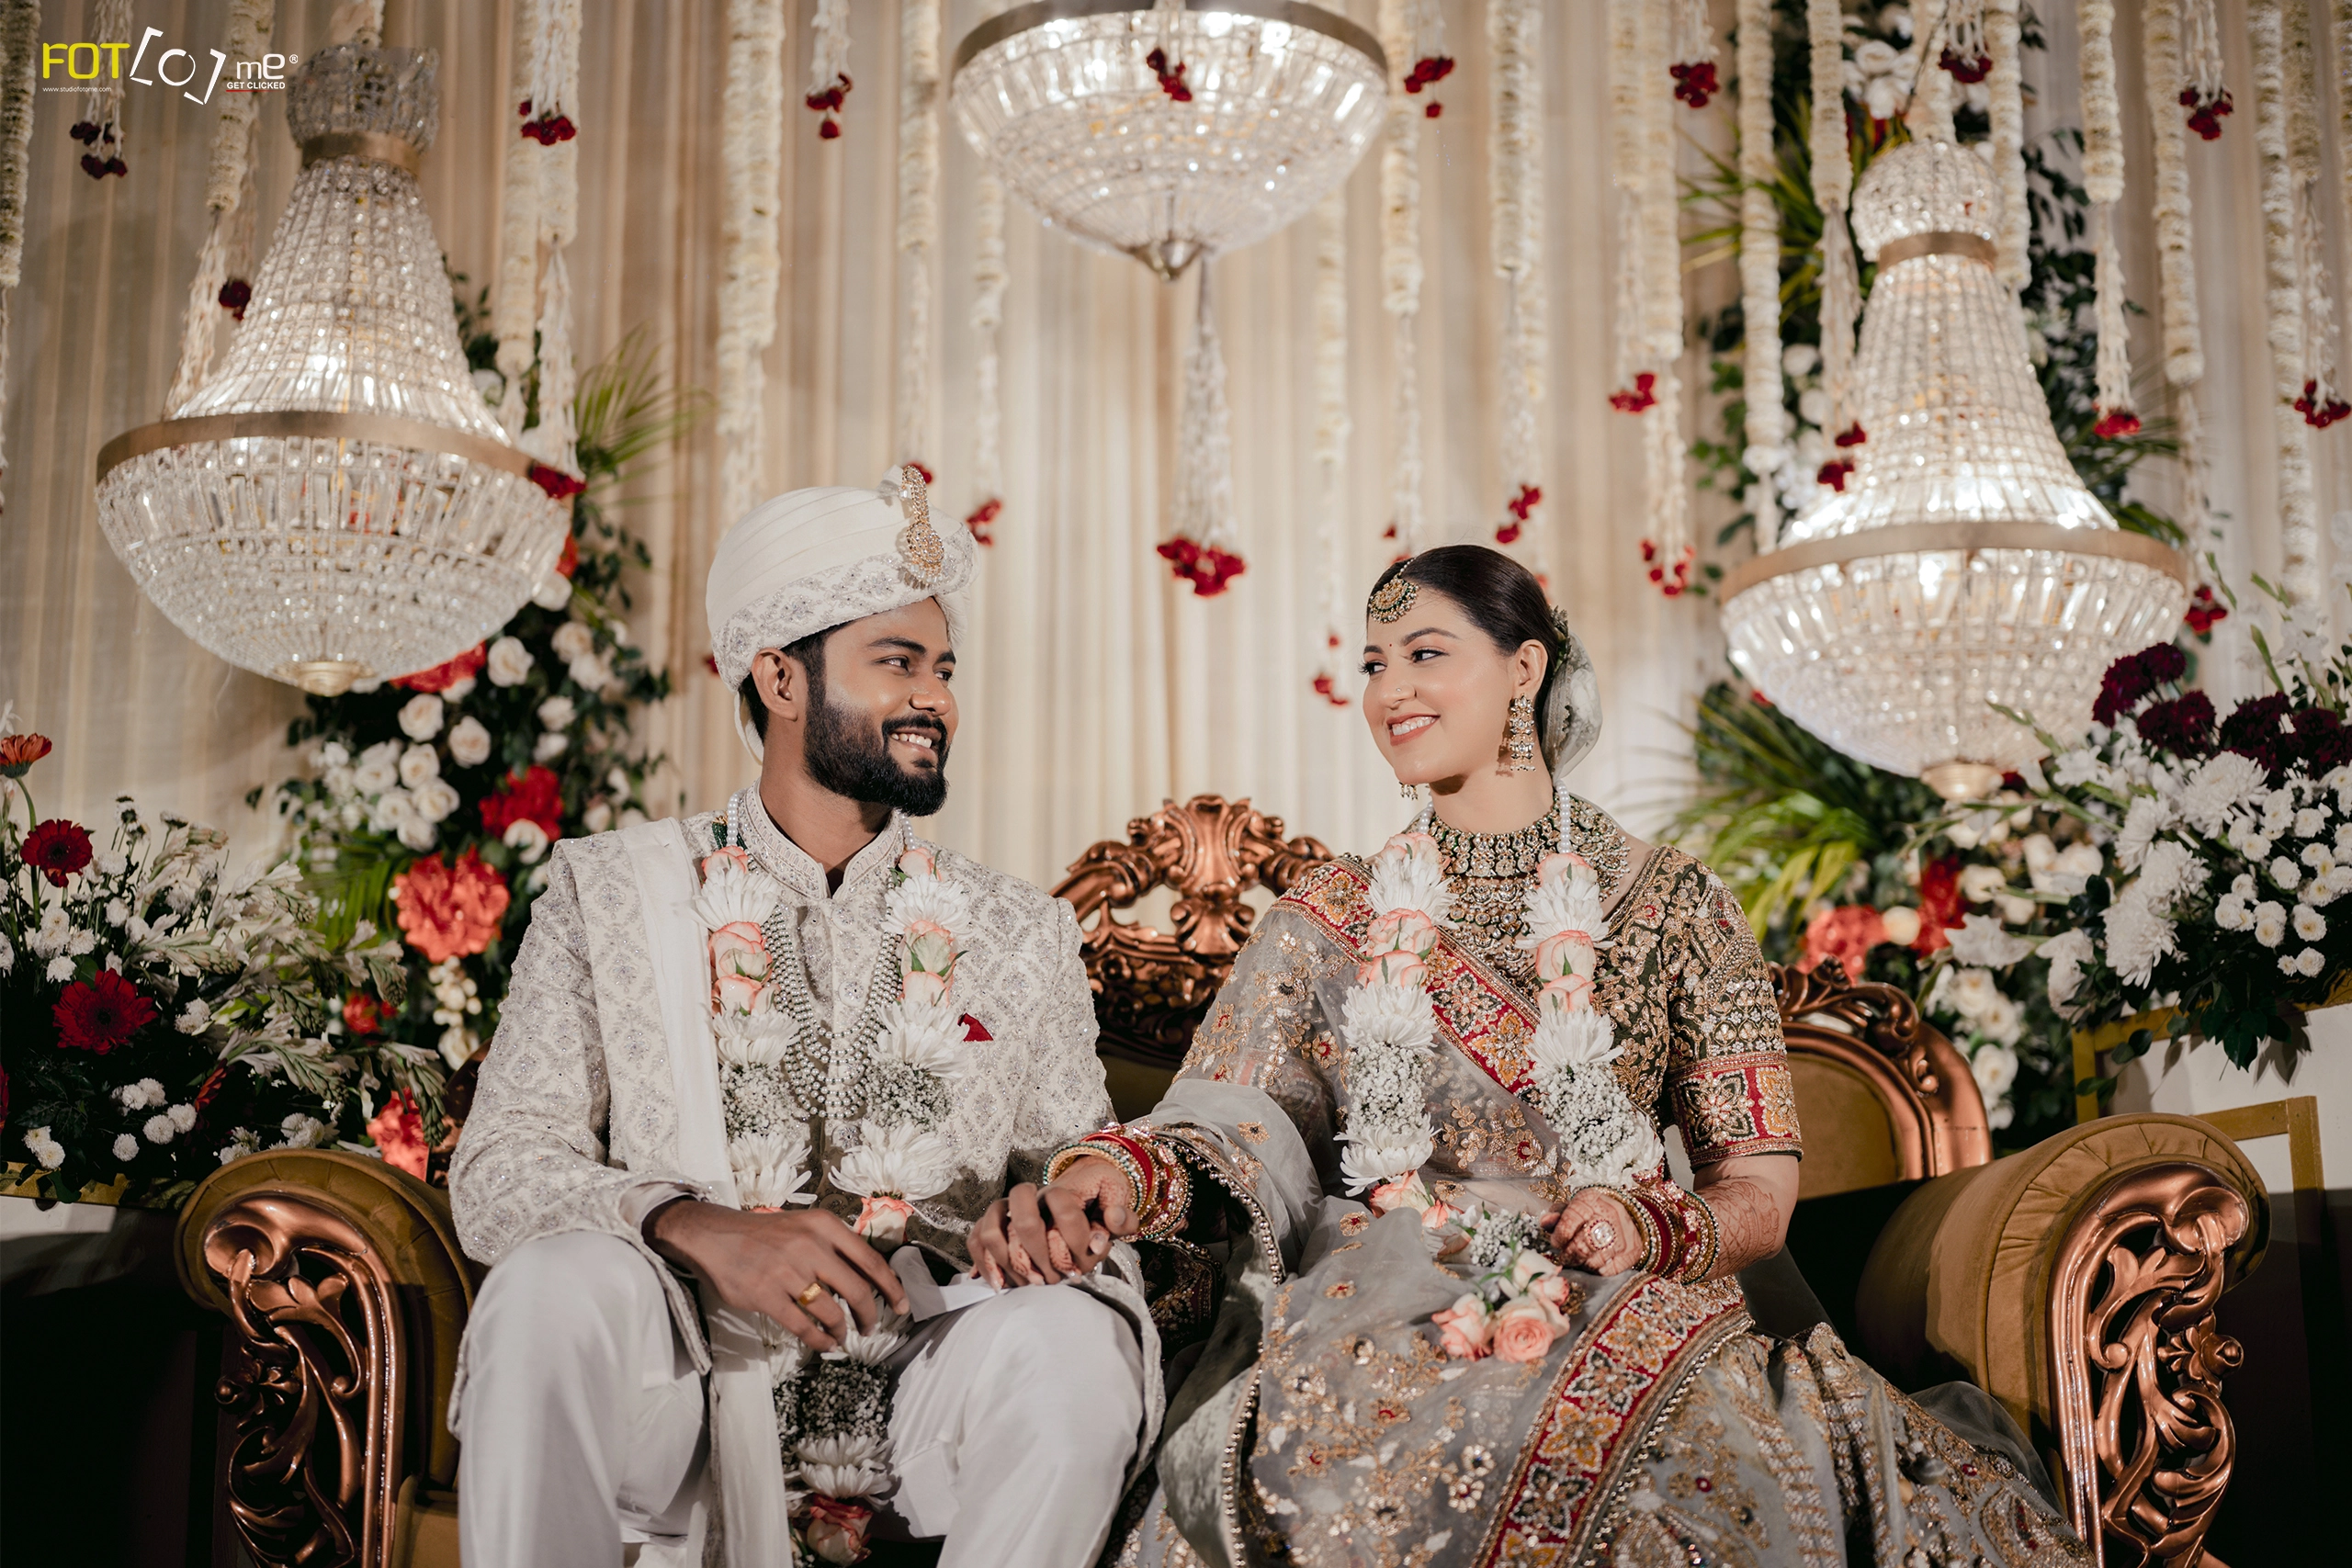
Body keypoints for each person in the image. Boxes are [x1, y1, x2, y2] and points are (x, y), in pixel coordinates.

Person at [988, 545, 2088, 1567]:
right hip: (1374, 1299)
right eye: (1374, 664)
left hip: (1628, 1277)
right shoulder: (1326, 917)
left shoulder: (1676, 905)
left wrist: (1646, 1224)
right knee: (1329, 1427)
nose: (1390, 692)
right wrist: (1115, 1177)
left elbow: (1755, 1183)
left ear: (1524, 669)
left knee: (1712, 1451)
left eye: (1426, 655)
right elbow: (1234, 1123)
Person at [449, 468, 1156, 1568]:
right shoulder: (612, 894)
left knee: (1074, 1348)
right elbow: (497, 1175)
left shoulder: (1019, 932)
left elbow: (1072, 1155)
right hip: (678, 1378)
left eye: (945, 669)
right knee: (549, 1287)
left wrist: (1056, 1201)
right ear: (781, 679)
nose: (938, 700)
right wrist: (697, 1226)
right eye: (898, 662)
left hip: (921, 1382)